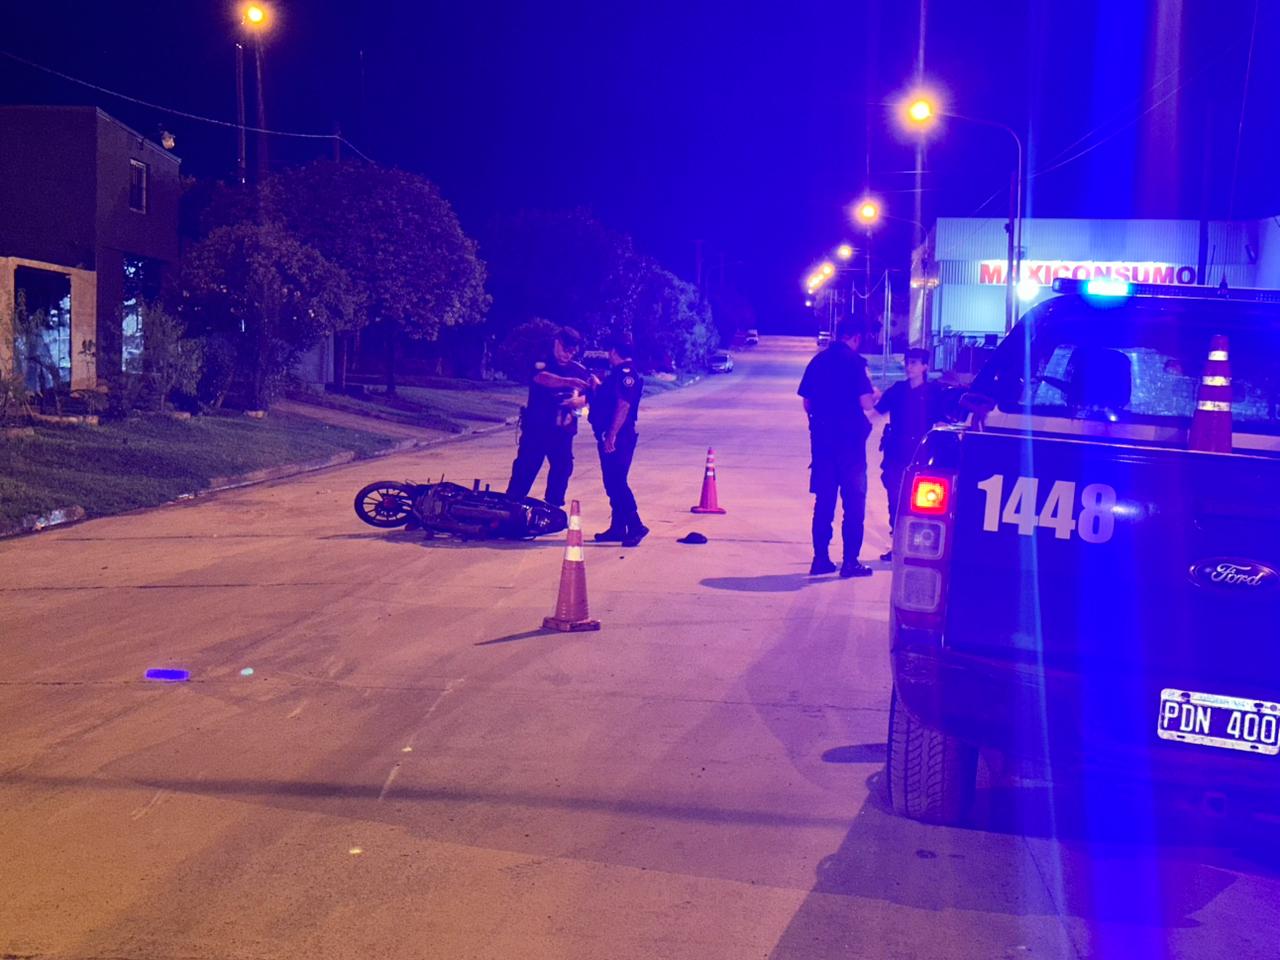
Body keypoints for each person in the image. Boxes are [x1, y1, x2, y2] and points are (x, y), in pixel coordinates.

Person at [797, 315, 880, 578]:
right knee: (853, 504)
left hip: (822, 446)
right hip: (850, 447)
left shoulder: (818, 361)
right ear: (855, 338)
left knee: (824, 502)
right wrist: (876, 394)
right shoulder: (855, 364)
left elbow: (807, 403)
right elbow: (866, 403)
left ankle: (820, 559)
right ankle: (850, 562)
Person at [874, 347, 948, 561]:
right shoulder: (898, 390)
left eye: (914, 363)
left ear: (925, 366)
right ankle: (897, 545)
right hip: (896, 453)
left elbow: (944, 420)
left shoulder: (934, 393)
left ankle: (920, 546)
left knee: (921, 502)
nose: (909, 367)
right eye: (908, 362)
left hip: (921, 455)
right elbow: (877, 412)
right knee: (895, 500)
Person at [505, 326, 591, 508]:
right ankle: (512, 504)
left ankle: (553, 506)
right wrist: (567, 382)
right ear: (557, 342)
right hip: (537, 428)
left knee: (563, 467)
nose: (568, 354)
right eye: (565, 349)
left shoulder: (578, 369)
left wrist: (579, 401)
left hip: (563, 431)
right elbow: (541, 378)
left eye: (572, 351)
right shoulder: (542, 360)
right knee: (526, 466)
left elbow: (592, 392)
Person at [589, 332, 647, 547]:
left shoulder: (625, 374)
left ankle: (636, 525)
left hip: (619, 436)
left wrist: (612, 434)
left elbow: (623, 405)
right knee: (612, 482)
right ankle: (618, 527)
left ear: (614, 352)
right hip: (612, 434)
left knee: (617, 482)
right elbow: (609, 400)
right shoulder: (617, 375)